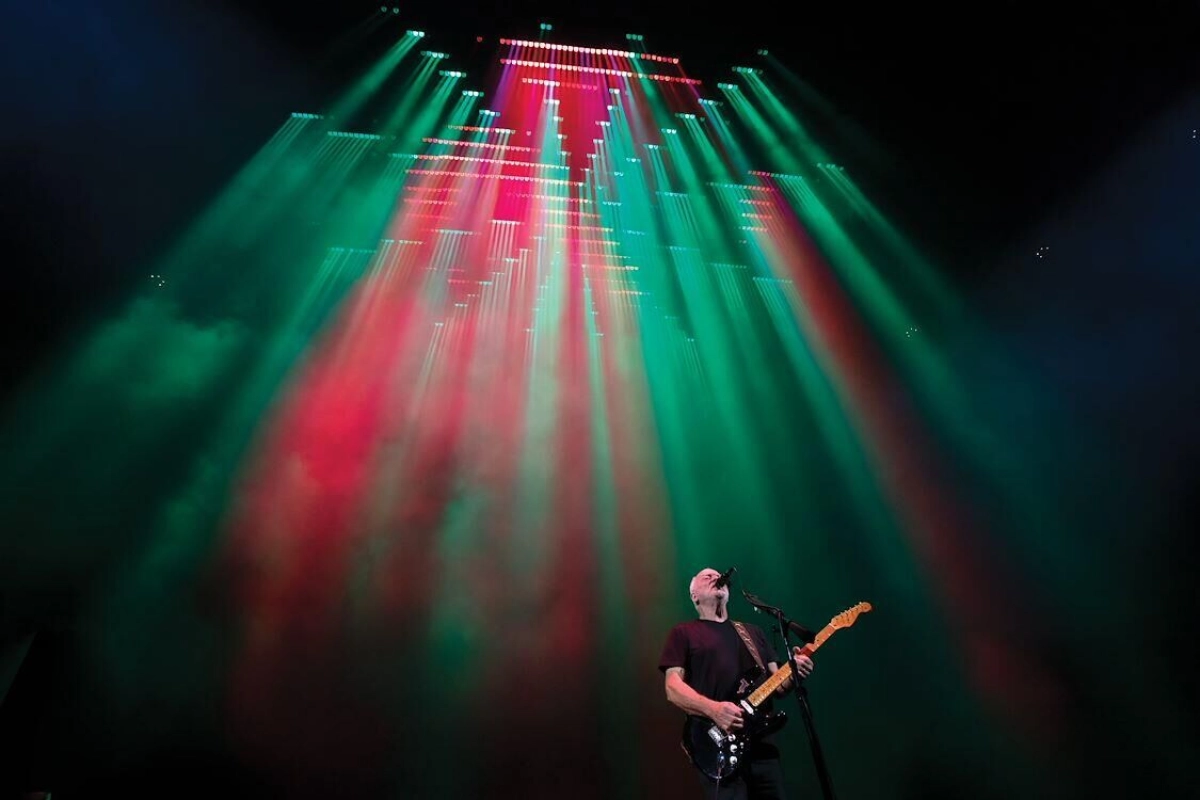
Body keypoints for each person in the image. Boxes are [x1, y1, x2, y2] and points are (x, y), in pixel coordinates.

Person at [659, 567, 815, 799]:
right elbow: (673, 688)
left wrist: (794, 672)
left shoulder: (752, 632)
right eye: (707, 577)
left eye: (717, 575)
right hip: (717, 746)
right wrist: (714, 709)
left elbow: (779, 685)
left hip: (762, 746)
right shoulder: (684, 633)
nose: (716, 577)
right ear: (694, 595)